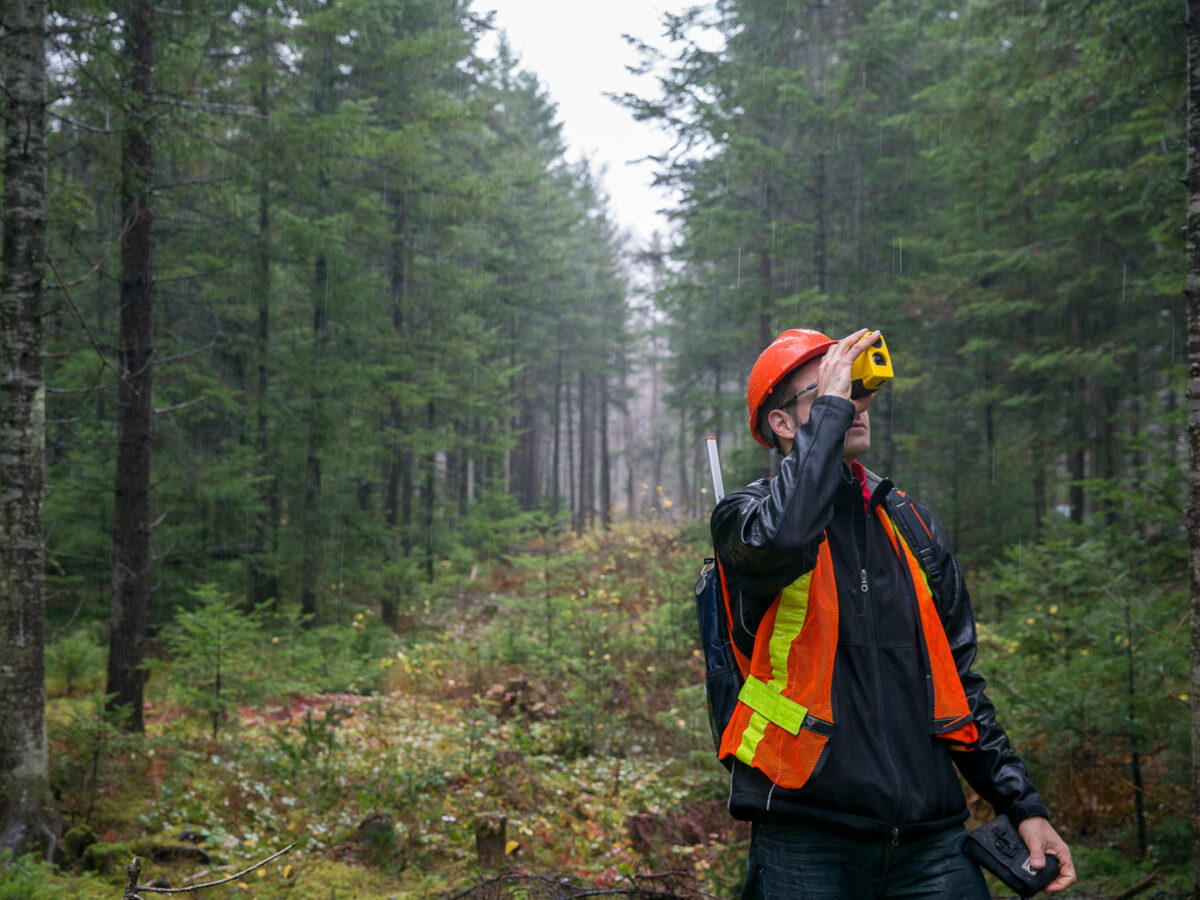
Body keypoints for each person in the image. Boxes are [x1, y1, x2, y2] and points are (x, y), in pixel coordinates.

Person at [711, 327, 1076, 899]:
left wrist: (1022, 804)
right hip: (806, 836)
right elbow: (782, 539)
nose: (852, 404)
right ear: (782, 424)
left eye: (855, 389)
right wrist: (830, 413)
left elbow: (961, 683)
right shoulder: (745, 516)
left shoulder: (912, 525)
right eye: (829, 391)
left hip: (931, 842)